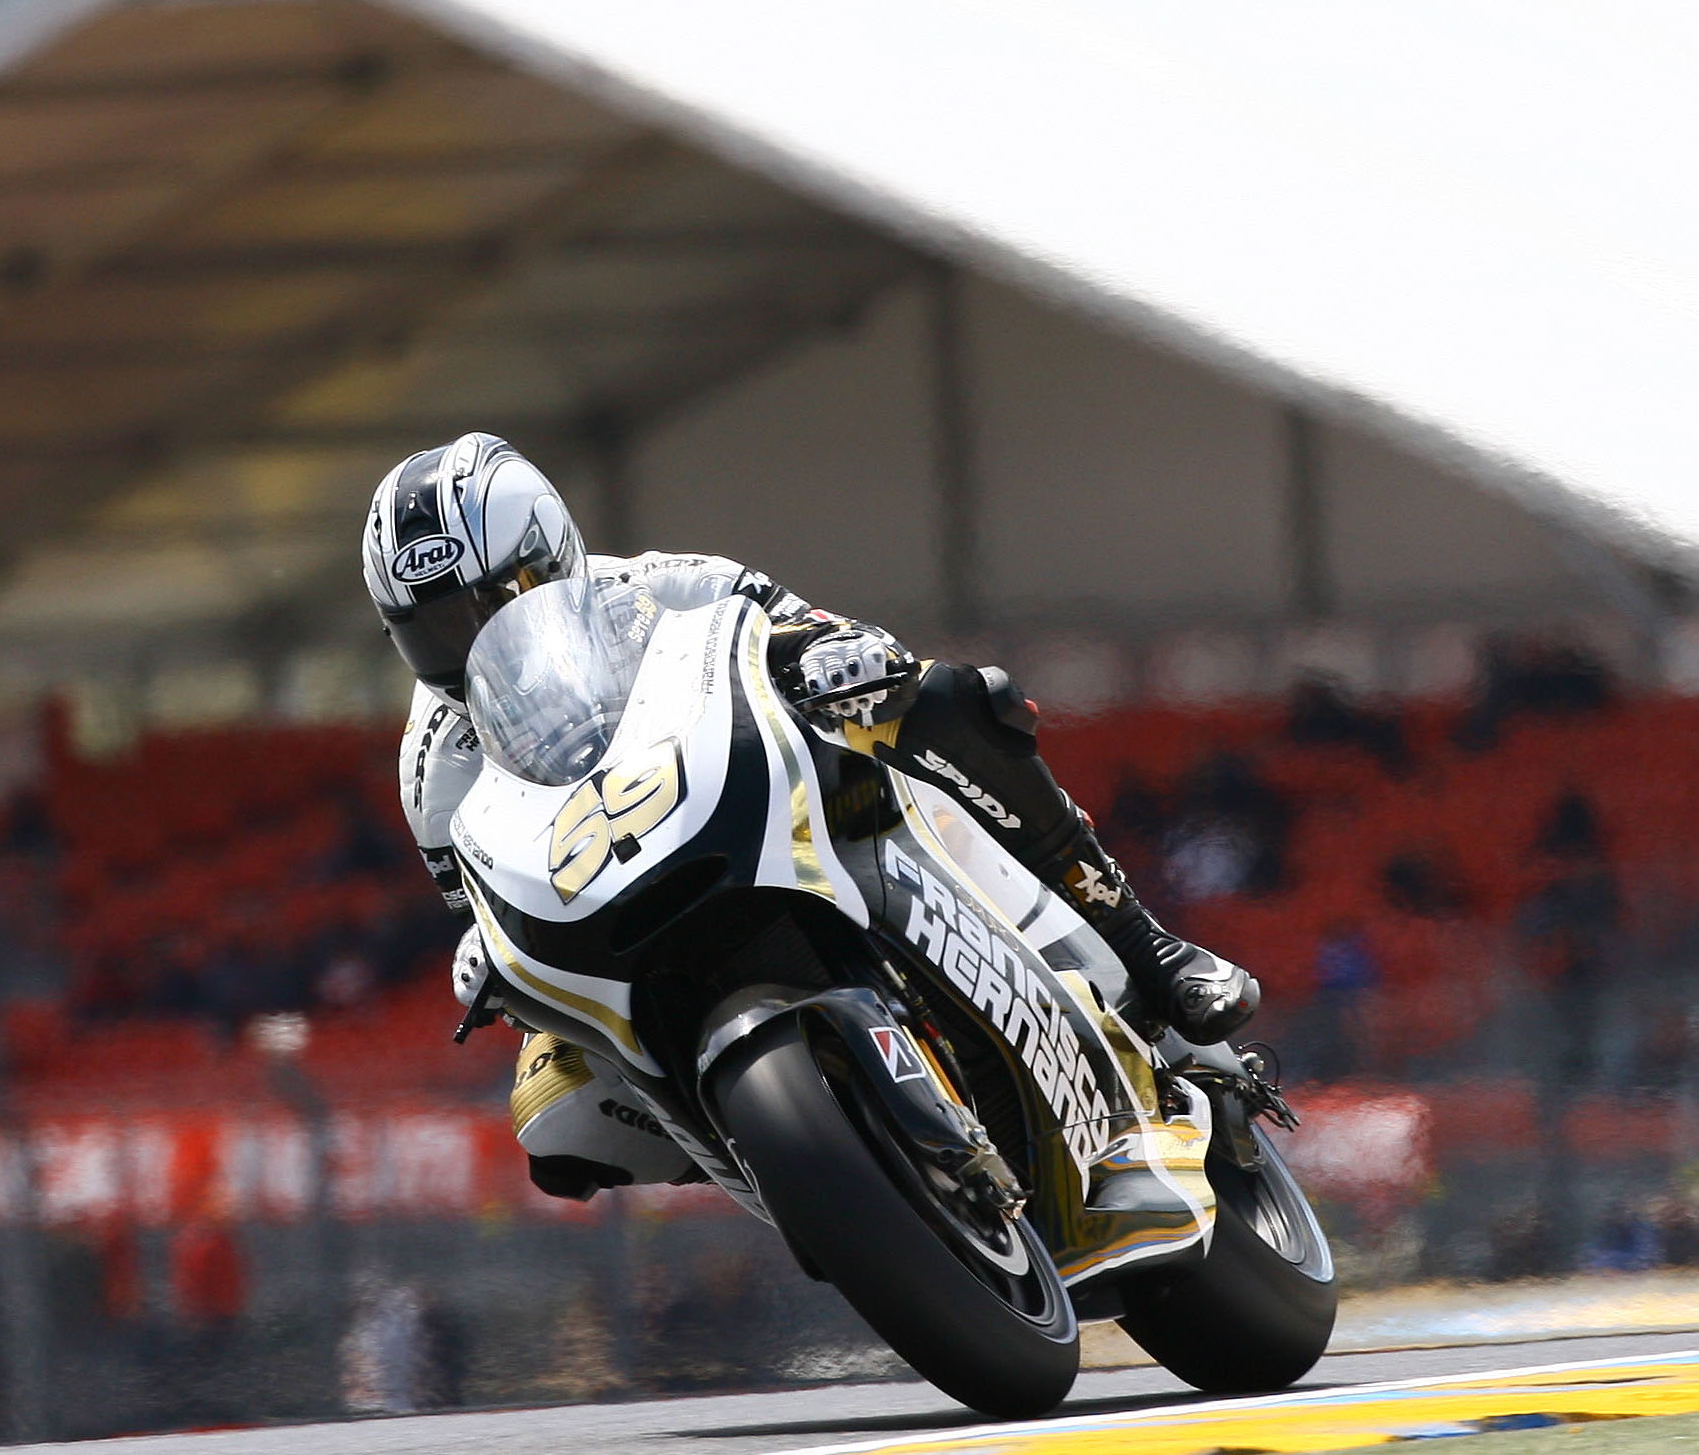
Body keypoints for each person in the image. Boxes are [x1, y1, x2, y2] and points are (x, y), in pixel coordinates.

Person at [362, 432, 1260, 1199]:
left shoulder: (662, 585)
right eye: (437, 629)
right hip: (621, 904)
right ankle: (796, 1161)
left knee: (951, 700)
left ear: (551, 551)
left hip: (776, 802)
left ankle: (1152, 950)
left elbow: (817, 633)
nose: (475, 638)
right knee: (552, 1119)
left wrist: (842, 654)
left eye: (496, 599)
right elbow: (486, 897)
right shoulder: (432, 766)